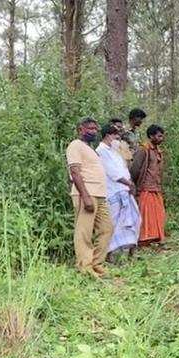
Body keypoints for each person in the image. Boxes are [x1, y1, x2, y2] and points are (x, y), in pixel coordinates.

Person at [66, 118, 113, 277]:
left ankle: (96, 264)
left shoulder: (89, 149)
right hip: (86, 193)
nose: (94, 131)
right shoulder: (75, 145)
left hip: (100, 195)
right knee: (84, 232)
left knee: (107, 228)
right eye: (90, 128)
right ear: (81, 129)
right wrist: (85, 196)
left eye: (95, 129)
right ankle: (84, 267)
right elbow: (75, 172)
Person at [96, 124, 141, 260]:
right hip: (114, 192)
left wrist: (129, 184)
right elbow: (112, 173)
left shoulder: (114, 151)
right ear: (108, 135)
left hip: (124, 190)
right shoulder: (101, 151)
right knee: (114, 224)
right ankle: (110, 255)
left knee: (134, 219)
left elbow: (124, 169)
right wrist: (129, 183)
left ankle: (131, 253)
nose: (118, 138)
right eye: (116, 135)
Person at [131, 124, 167, 246]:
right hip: (145, 189)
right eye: (159, 136)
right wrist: (134, 186)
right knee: (146, 216)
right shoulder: (143, 149)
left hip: (156, 188)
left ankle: (156, 239)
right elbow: (135, 169)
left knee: (158, 215)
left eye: (162, 136)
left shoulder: (158, 151)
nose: (162, 138)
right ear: (151, 136)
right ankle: (144, 241)